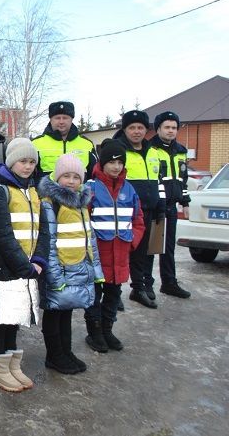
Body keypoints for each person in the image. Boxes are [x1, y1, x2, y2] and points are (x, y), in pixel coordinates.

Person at [0, 138, 49, 393]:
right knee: (1, 319)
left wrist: (39, 260)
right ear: (11, 162)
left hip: (29, 268)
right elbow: (2, 234)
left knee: (17, 318)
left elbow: (43, 230)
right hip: (5, 268)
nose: (28, 166)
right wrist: (24, 265)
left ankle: (12, 364)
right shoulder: (0, 191)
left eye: (32, 161)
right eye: (23, 161)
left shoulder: (34, 191)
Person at [37, 154, 103, 374]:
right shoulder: (50, 205)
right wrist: (54, 276)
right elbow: (49, 242)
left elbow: (89, 239)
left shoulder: (81, 204)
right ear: (57, 177)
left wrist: (95, 270)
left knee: (67, 312)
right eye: (66, 176)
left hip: (76, 269)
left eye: (76, 176)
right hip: (59, 271)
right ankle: (54, 355)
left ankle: (66, 351)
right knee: (54, 313)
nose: (72, 181)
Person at [84, 139, 145, 353]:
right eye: (111, 162)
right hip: (98, 255)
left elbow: (138, 220)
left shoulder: (129, 189)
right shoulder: (90, 189)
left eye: (120, 162)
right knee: (94, 295)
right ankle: (95, 332)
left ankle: (108, 330)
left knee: (114, 294)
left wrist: (132, 242)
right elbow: (82, 221)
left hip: (120, 254)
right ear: (102, 163)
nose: (116, 167)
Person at [113, 110, 165, 309]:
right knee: (119, 252)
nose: (136, 132)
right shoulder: (118, 150)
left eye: (140, 128)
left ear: (146, 130)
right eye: (132, 128)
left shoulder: (153, 152)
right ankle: (114, 293)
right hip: (124, 212)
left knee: (142, 254)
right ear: (125, 129)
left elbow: (158, 181)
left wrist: (160, 205)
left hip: (148, 211)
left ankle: (138, 288)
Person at [149, 111, 192, 298]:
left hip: (171, 206)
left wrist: (185, 201)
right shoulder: (150, 149)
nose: (171, 131)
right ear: (158, 129)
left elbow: (183, 179)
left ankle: (169, 283)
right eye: (167, 127)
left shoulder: (181, 151)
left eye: (174, 127)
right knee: (150, 247)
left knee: (168, 248)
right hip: (154, 206)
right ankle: (145, 285)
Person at [32, 101, 97, 183]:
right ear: (51, 120)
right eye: (57, 118)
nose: (61, 122)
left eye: (65, 118)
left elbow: (95, 175)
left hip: (78, 195)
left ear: (71, 119)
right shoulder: (36, 144)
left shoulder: (87, 144)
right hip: (45, 195)